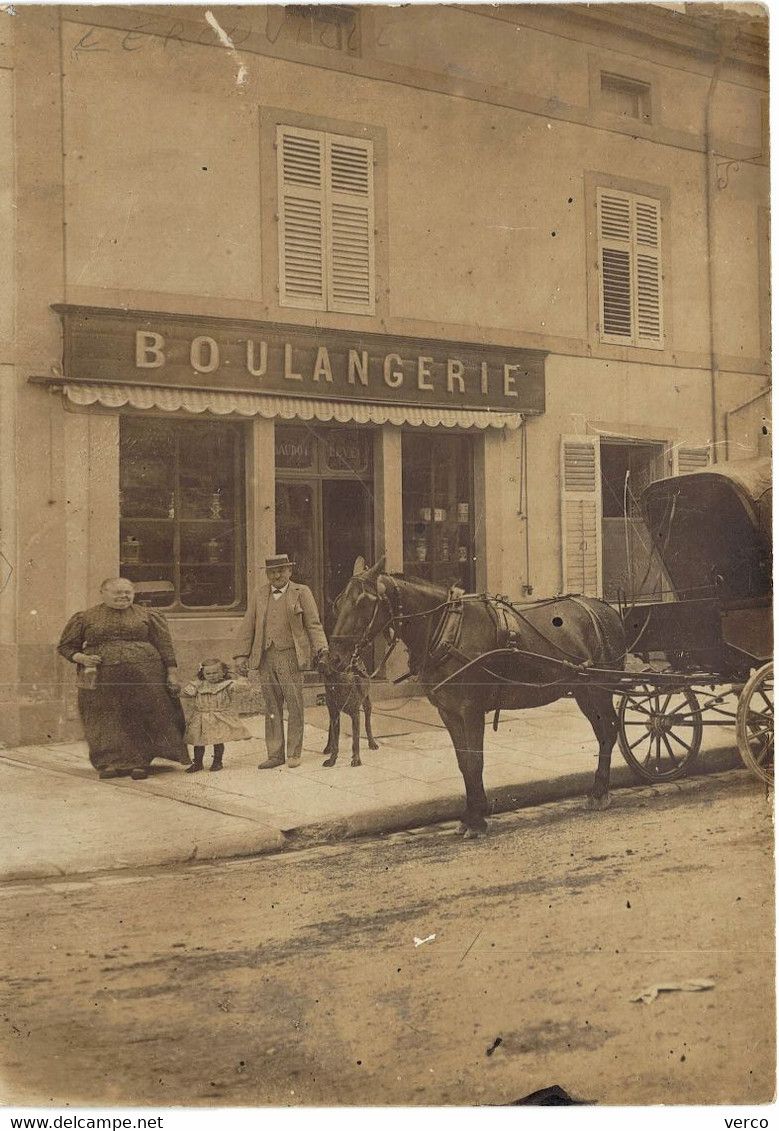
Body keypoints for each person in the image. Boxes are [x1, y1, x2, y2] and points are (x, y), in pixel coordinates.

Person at [57, 578, 190, 780]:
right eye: (117, 592)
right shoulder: (85, 617)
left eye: (128, 592)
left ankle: (140, 762)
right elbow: (66, 647)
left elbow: (165, 646)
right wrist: (81, 658)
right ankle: (109, 761)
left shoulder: (148, 615)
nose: (123, 596)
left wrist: (172, 673)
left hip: (145, 674)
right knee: (103, 717)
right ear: (103, 592)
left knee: (141, 715)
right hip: (100, 676)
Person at [233, 553, 329, 769]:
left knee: (294, 704)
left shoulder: (301, 592)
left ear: (289, 572)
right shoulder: (259, 593)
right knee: (272, 706)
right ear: (267, 574)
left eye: (281, 571)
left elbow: (313, 624)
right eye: (272, 572)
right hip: (265, 656)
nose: (276, 575)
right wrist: (241, 654)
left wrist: (321, 648)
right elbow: (249, 624)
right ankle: (275, 754)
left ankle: (294, 753)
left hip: (290, 656)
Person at [180, 658, 251, 773]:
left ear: (223, 672)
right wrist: (183, 688)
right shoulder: (199, 685)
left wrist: (241, 677)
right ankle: (198, 763)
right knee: (198, 742)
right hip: (201, 717)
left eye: (215, 673)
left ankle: (217, 761)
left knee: (218, 740)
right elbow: (184, 693)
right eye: (208, 673)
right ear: (202, 673)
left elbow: (242, 687)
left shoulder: (227, 685)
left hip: (218, 716)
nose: (212, 676)